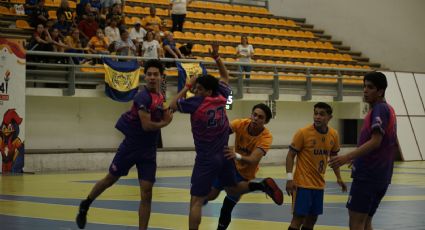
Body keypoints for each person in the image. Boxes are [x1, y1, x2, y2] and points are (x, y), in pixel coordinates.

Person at [169, 42, 283, 230]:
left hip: (208, 157)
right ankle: (261, 186)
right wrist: (217, 57)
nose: (195, 91)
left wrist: (187, 85)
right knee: (229, 190)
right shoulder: (223, 98)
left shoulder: (197, 102)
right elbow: (225, 77)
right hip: (224, 154)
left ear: (206, 91)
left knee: (196, 201)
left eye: (198, 89)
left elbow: (172, 105)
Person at [76, 59, 173, 230]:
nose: (151, 77)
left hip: (148, 152)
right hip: (131, 148)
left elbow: (167, 108)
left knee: (147, 193)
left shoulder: (160, 95)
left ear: (161, 77)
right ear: (145, 77)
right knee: (109, 179)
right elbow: (147, 126)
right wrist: (166, 123)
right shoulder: (142, 96)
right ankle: (86, 203)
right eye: (149, 74)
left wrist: (187, 89)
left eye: (155, 74)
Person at [329, 72, 397, 230]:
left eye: (370, 87)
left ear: (380, 91)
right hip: (381, 176)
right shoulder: (389, 109)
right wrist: (358, 157)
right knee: (366, 223)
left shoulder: (379, 110)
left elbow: (376, 141)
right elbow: (383, 144)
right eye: (364, 86)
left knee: (356, 222)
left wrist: (347, 157)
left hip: (368, 176)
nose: (365, 90)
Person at [206, 103, 282, 230]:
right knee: (211, 195)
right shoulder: (241, 123)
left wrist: (236, 155)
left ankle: (261, 185)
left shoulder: (266, 137)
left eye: (260, 117)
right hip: (231, 166)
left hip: (245, 174)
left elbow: (253, 159)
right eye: (255, 115)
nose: (256, 118)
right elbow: (222, 132)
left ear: (266, 121)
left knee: (227, 206)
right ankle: (262, 185)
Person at [286, 102, 347, 230]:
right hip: (302, 184)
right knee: (298, 218)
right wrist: (289, 178)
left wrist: (339, 178)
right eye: (315, 113)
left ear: (330, 117)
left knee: (312, 219)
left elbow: (334, 158)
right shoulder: (303, 133)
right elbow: (290, 155)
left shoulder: (334, 134)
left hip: (319, 185)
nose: (317, 117)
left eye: (322, 114)